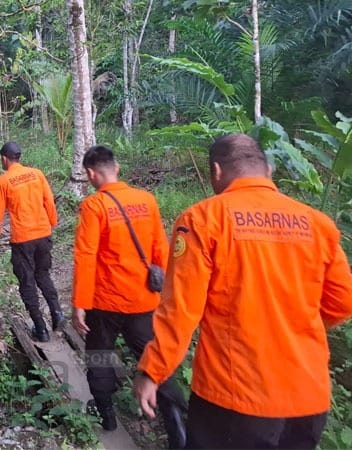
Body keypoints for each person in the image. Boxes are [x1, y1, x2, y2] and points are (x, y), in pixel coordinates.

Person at [134, 134, 352, 449]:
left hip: (234, 400)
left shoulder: (203, 220)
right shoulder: (319, 225)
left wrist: (151, 371)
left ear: (217, 172)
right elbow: (342, 302)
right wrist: (291, 326)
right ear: (269, 171)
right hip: (308, 399)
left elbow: (181, 312)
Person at [72, 145, 186, 448]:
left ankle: (106, 414)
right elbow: (161, 247)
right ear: (117, 168)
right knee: (153, 359)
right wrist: (162, 287)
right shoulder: (146, 200)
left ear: (91, 173)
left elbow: (86, 256)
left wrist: (80, 304)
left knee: (98, 355)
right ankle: (177, 427)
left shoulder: (94, 206)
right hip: (143, 301)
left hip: (105, 303)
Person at [0, 141, 64, 343]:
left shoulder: (3, 181)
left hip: (23, 239)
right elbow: (49, 200)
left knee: (27, 281)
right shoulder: (37, 174)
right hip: (43, 234)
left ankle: (40, 328)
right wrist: (52, 222)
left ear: (4, 158)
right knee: (43, 274)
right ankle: (57, 313)